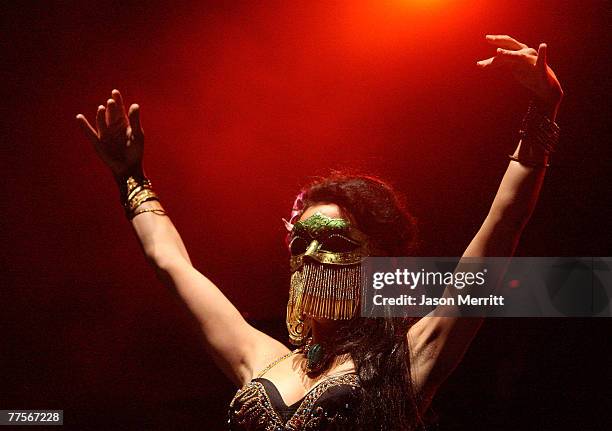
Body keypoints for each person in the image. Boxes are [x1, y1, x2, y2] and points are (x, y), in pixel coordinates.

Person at [76, 34, 563, 430]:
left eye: (332, 240)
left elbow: (503, 226)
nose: (308, 254)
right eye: (298, 240)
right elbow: (171, 264)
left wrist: (543, 110)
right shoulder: (260, 358)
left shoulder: (408, 363)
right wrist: (129, 176)